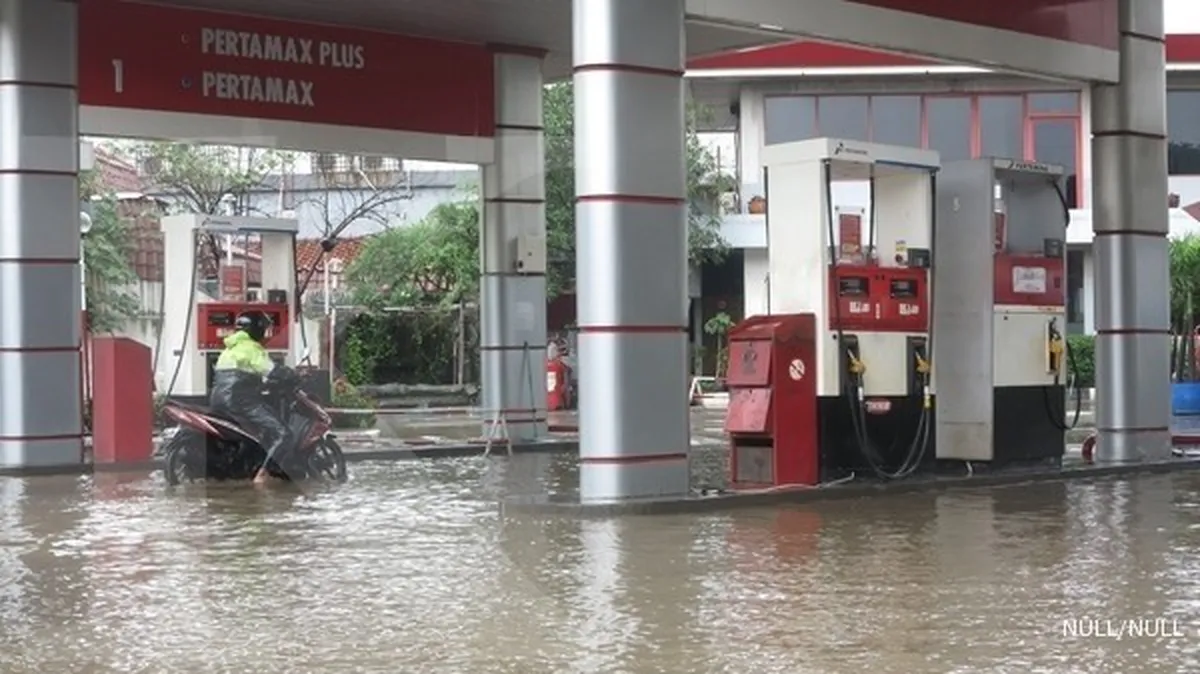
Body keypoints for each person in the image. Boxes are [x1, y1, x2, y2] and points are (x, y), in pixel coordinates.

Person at [209, 311, 292, 485]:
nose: (266, 334)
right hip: (241, 401)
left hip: (218, 401)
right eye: (264, 329)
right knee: (283, 433)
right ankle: (263, 474)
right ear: (256, 329)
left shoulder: (229, 348)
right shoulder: (251, 348)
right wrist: (290, 374)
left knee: (253, 435)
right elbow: (269, 369)